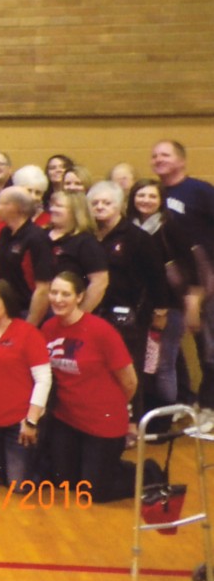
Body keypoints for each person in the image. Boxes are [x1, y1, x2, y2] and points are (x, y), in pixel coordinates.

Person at [42, 272, 140, 502]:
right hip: (66, 419)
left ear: (79, 297)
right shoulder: (48, 328)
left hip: (102, 421)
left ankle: (146, 472)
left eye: (65, 294)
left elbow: (130, 381)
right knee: (64, 482)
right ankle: (102, 466)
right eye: (54, 293)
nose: (58, 299)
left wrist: (113, 405)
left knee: (94, 492)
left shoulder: (101, 331)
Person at [89, 180, 168, 435]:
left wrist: (160, 311)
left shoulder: (137, 238)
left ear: (121, 205)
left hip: (131, 317)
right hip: (95, 315)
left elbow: (157, 277)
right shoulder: (88, 236)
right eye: (95, 203)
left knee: (128, 370)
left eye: (106, 202)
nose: (100, 207)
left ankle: (131, 426)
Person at [150, 140, 214, 410]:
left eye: (165, 155)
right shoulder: (153, 193)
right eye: (154, 156)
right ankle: (184, 402)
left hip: (205, 279)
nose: (158, 159)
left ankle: (209, 407)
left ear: (182, 160)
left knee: (209, 346)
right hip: (172, 284)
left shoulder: (199, 191)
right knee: (172, 347)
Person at [128, 177, 202, 406]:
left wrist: (191, 303)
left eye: (152, 196)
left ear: (161, 201)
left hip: (169, 305)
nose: (146, 200)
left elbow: (191, 266)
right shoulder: (127, 227)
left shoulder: (170, 227)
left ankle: (166, 414)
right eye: (141, 195)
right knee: (142, 362)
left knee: (164, 363)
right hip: (139, 305)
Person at [0, 280, 50, 487]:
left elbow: (43, 379)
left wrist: (31, 421)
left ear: (6, 302)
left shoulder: (28, 333)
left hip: (19, 421)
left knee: (18, 484)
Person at [0, 187, 54, 324]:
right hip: (5, 309)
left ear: (13, 207)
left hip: (27, 311)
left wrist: (30, 325)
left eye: (0, 203)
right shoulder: (5, 233)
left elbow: (43, 288)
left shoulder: (37, 238)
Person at [46, 191, 109, 312]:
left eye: (59, 206)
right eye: (52, 205)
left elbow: (99, 282)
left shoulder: (86, 242)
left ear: (75, 211)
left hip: (68, 309)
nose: (53, 209)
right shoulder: (41, 235)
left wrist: (79, 315)